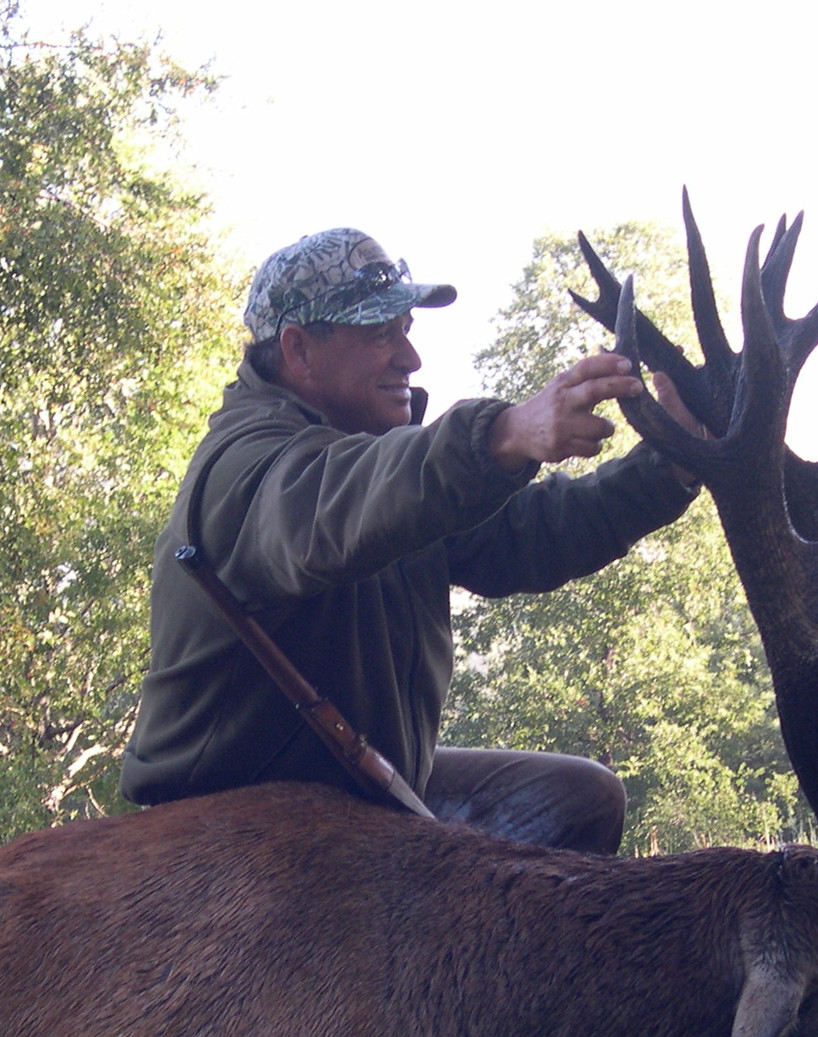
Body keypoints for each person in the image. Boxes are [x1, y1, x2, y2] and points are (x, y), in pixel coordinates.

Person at [120, 227, 701, 854]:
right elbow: (337, 508)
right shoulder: (244, 468)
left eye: (406, 330)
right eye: (379, 334)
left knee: (580, 799)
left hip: (352, 798)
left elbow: (529, 535)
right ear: (298, 351)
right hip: (228, 830)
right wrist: (503, 434)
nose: (410, 358)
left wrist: (670, 462)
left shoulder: (393, 479)